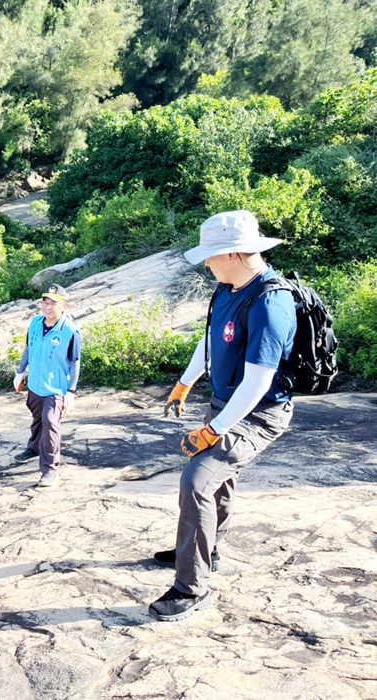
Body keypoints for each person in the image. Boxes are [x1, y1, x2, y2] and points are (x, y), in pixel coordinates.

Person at [149, 210, 297, 622]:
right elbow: (210, 340)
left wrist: (212, 430)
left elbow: (259, 382)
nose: (206, 264)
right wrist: (184, 383)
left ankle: (190, 587)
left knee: (197, 480)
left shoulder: (271, 302)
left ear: (233, 253)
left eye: (211, 256)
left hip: (260, 413)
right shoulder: (228, 286)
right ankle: (205, 550)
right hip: (226, 404)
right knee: (219, 479)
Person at [12, 283, 82, 488]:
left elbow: (75, 362)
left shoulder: (70, 331)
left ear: (64, 306)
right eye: (45, 302)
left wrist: (71, 391)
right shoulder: (35, 323)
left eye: (53, 303)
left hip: (56, 388)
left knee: (50, 423)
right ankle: (33, 447)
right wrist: (20, 371)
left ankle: (50, 470)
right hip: (35, 384)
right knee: (38, 419)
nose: (48, 307)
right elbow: (29, 348)